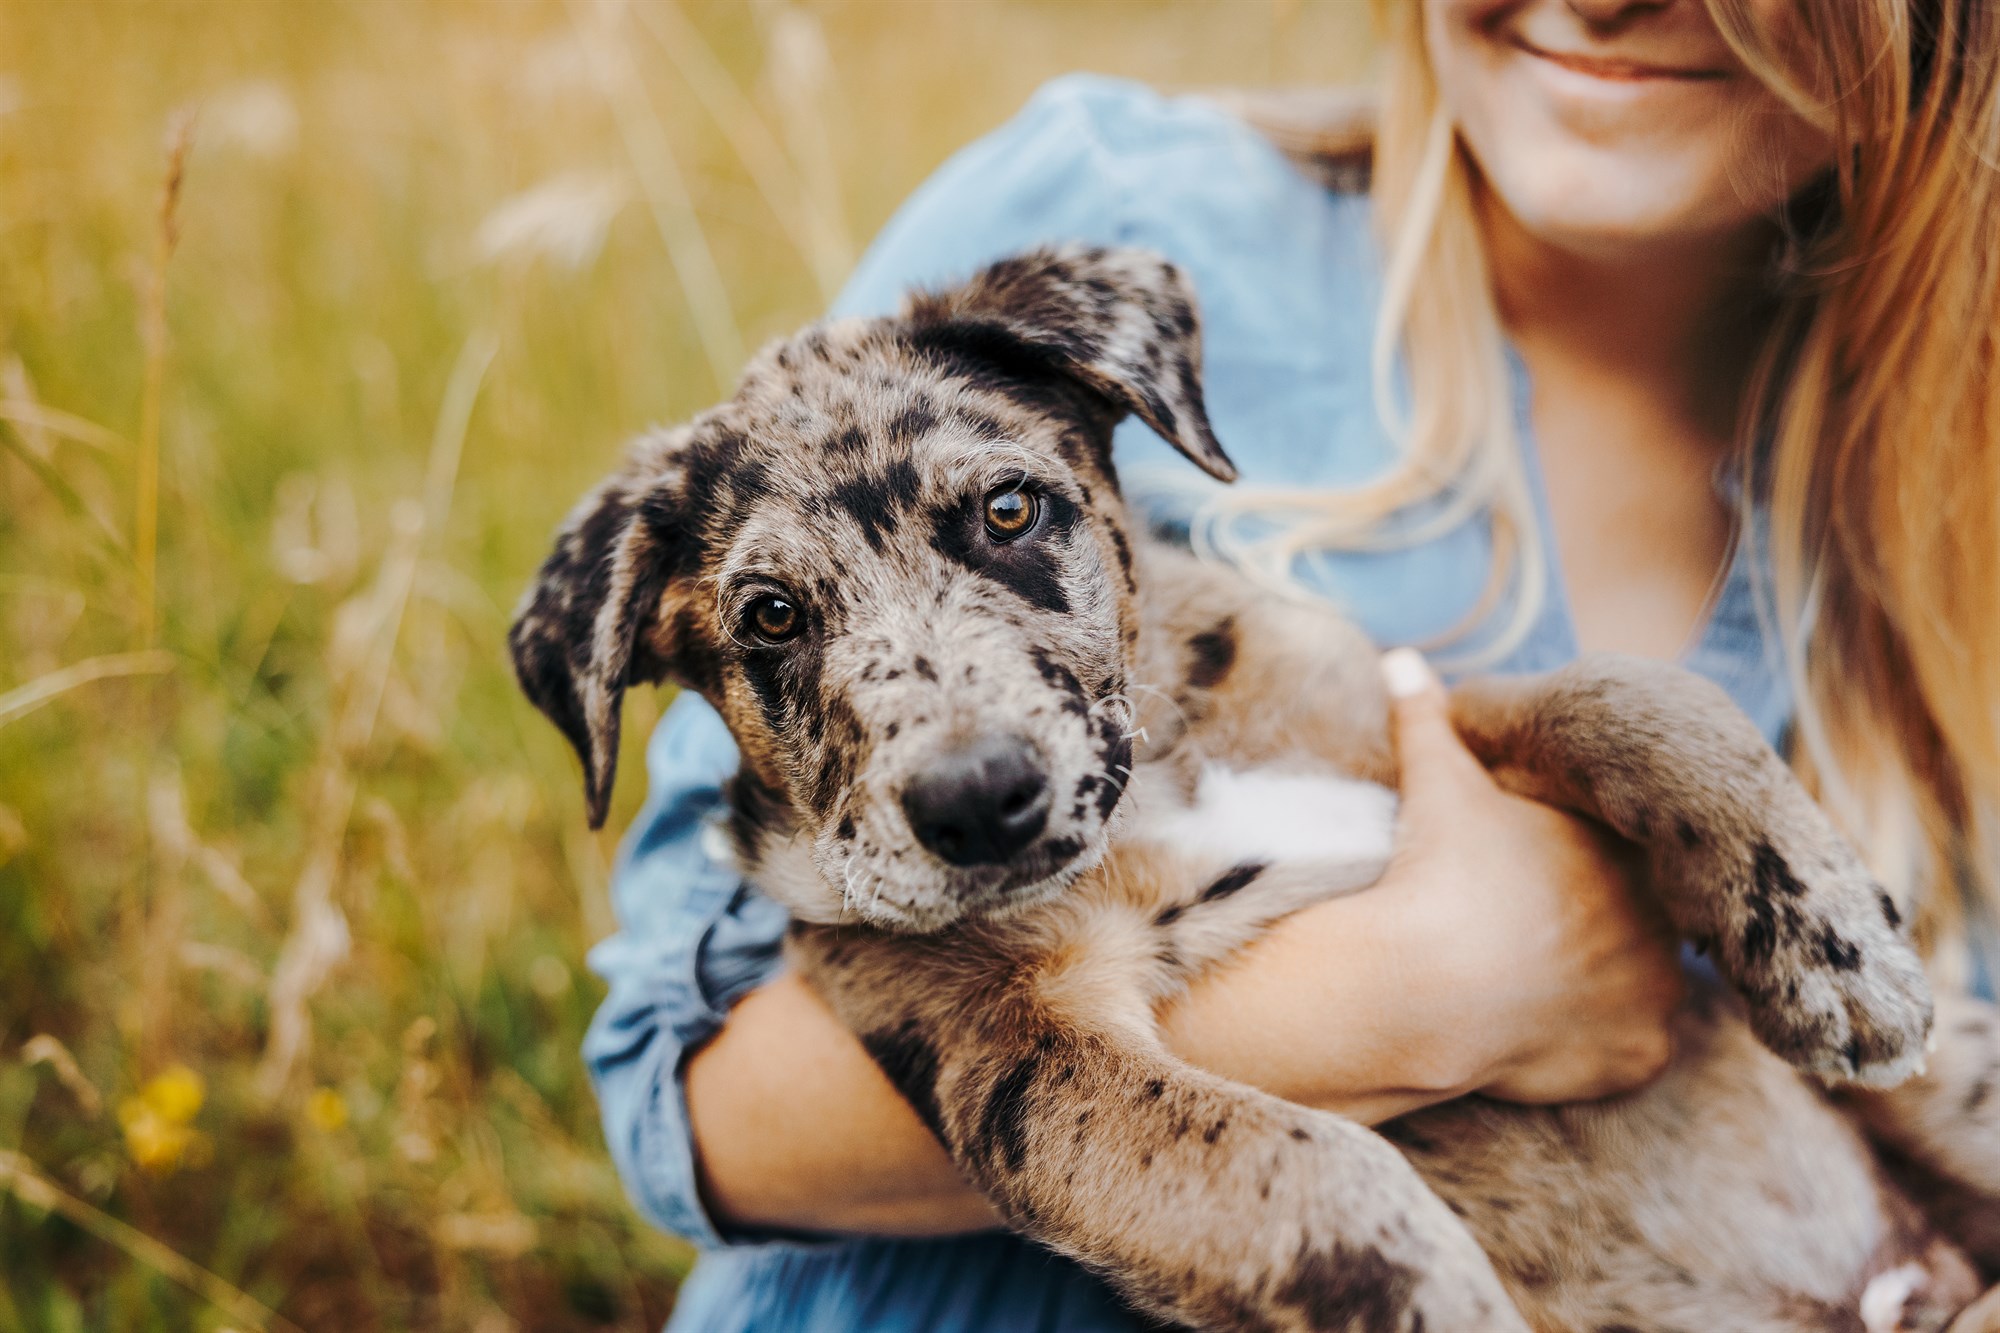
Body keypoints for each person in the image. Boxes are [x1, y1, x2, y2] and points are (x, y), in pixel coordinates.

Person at [581, 2, 2000, 1328]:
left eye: (1011, 515)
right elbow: (674, 1090)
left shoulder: (1944, 433)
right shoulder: (1111, 204)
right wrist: (1430, 995)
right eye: (776, 623)